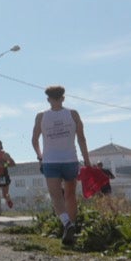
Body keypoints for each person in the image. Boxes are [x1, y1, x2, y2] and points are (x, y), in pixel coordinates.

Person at [31, 84, 90, 247]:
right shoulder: (73, 114)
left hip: (50, 161)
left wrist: (40, 155)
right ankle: (71, 228)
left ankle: (67, 224)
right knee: (70, 196)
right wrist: (87, 161)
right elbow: (82, 139)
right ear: (63, 98)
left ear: (48, 99)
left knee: (56, 196)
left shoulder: (41, 116)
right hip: (70, 160)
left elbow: (34, 139)